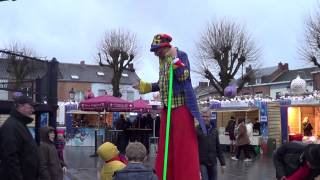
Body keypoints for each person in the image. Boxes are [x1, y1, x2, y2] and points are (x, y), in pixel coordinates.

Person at [133, 33, 206, 180]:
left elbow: (183, 76)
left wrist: (175, 59)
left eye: (157, 50)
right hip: (167, 109)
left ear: (165, 46)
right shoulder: (162, 62)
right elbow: (162, 84)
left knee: (183, 145)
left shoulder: (181, 55)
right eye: (154, 51)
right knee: (166, 145)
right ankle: (167, 175)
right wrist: (145, 86)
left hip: (181, 108)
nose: (155, 54)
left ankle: (186, 176)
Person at [0, 95, 40, 180]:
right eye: (31, 107)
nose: (33, 110)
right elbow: (10, 159)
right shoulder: (12, 126)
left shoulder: (19, 125)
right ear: (21, 106)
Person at [197, 109, 226, 180]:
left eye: (207, 116)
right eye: (203, 116)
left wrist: (223, 163)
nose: (205, 118)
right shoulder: (196, 130)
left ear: (210, 117)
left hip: (213, 162)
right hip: (202, 162)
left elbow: (218, 147)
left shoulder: (214, 130)